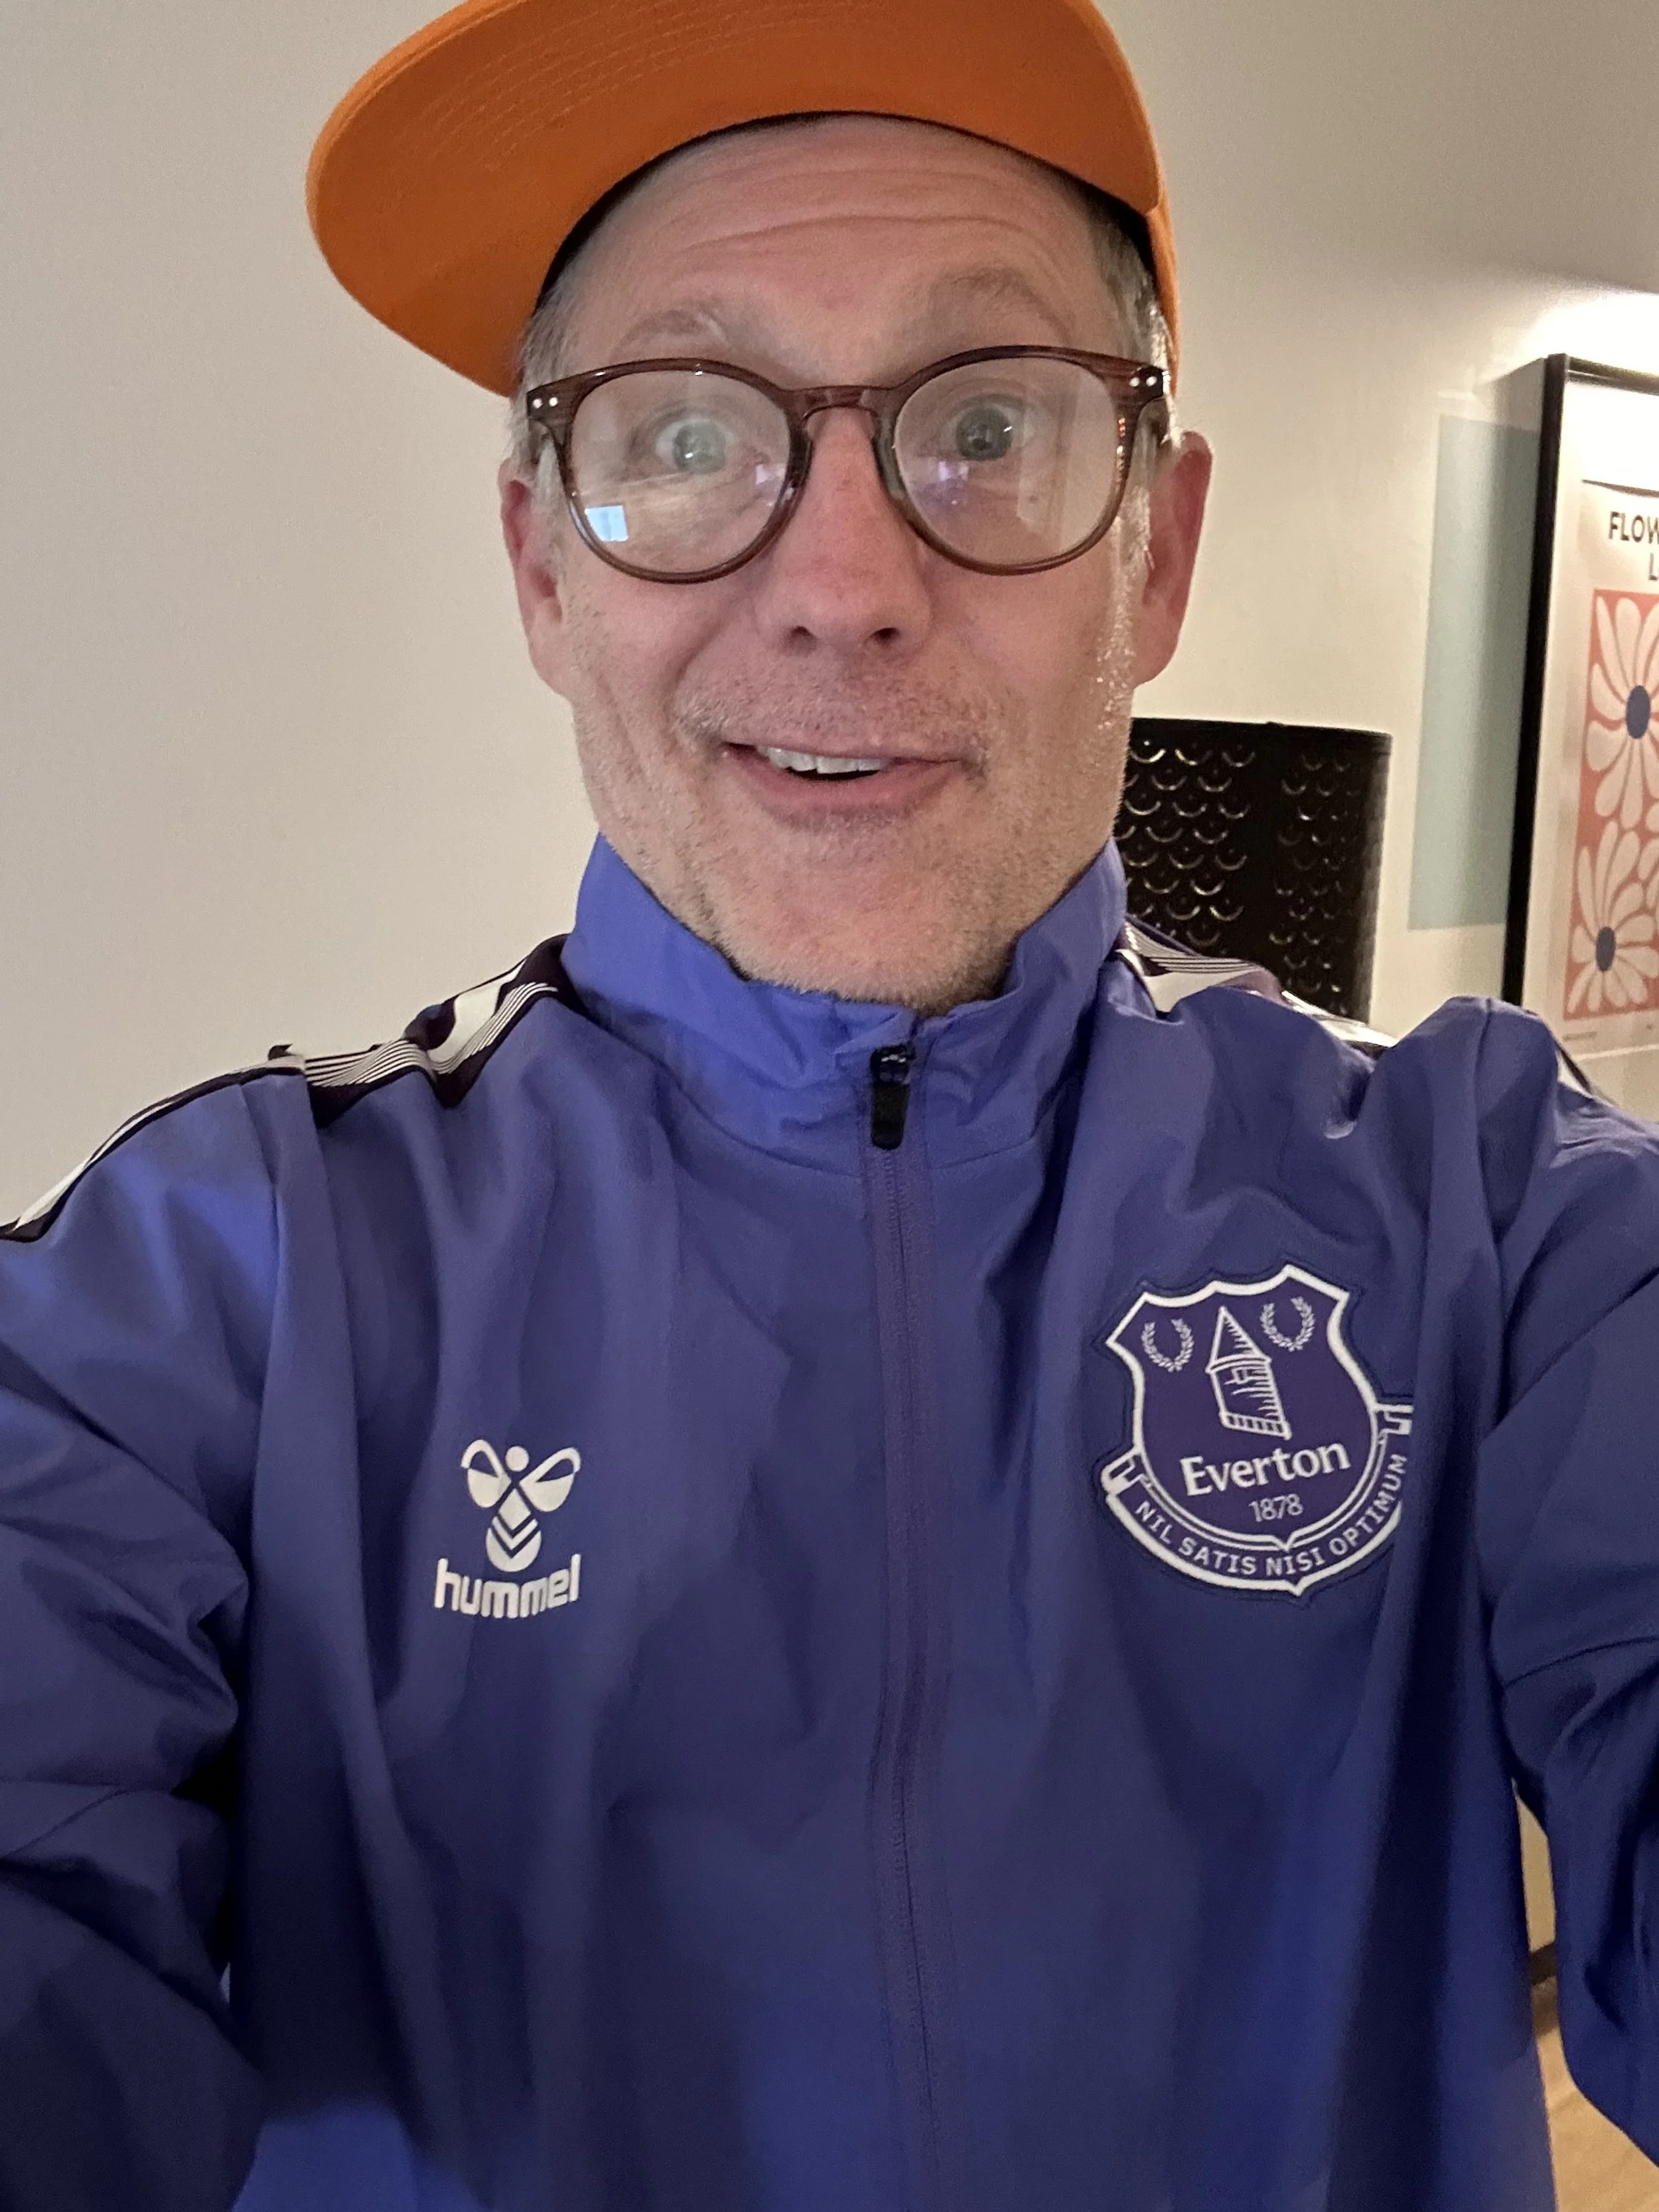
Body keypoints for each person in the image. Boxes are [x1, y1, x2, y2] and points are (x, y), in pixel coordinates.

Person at [3, 1, 1657, 2207]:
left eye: (985, 424)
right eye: (684, 437)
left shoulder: (1487, 1209)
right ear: (541, 569)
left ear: (1151, 557)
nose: (847, 584)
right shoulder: (217, 1279)